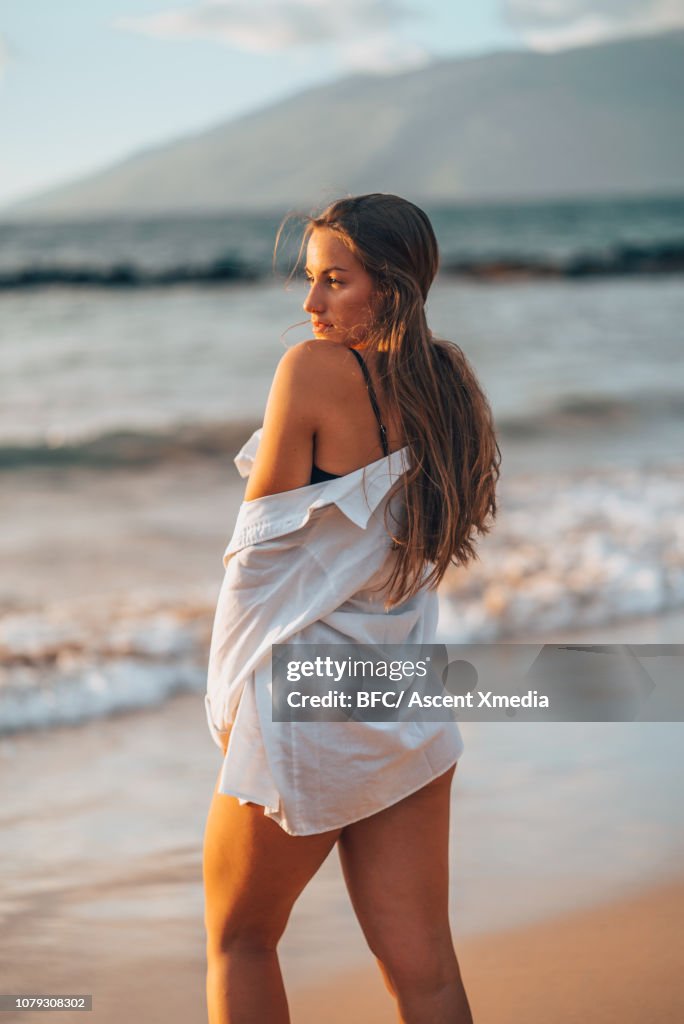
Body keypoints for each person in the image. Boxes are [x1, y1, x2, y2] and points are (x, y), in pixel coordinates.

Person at [202, 193, 500, 1023]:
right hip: (405, 699)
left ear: (392, 286)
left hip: (306, 700)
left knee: (242, 941)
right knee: (427, 969)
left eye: (335, 280)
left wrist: (230, 698)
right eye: (311, 280)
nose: (311, 305)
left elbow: (257, 557)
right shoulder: (454, 386)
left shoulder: (313, 370)